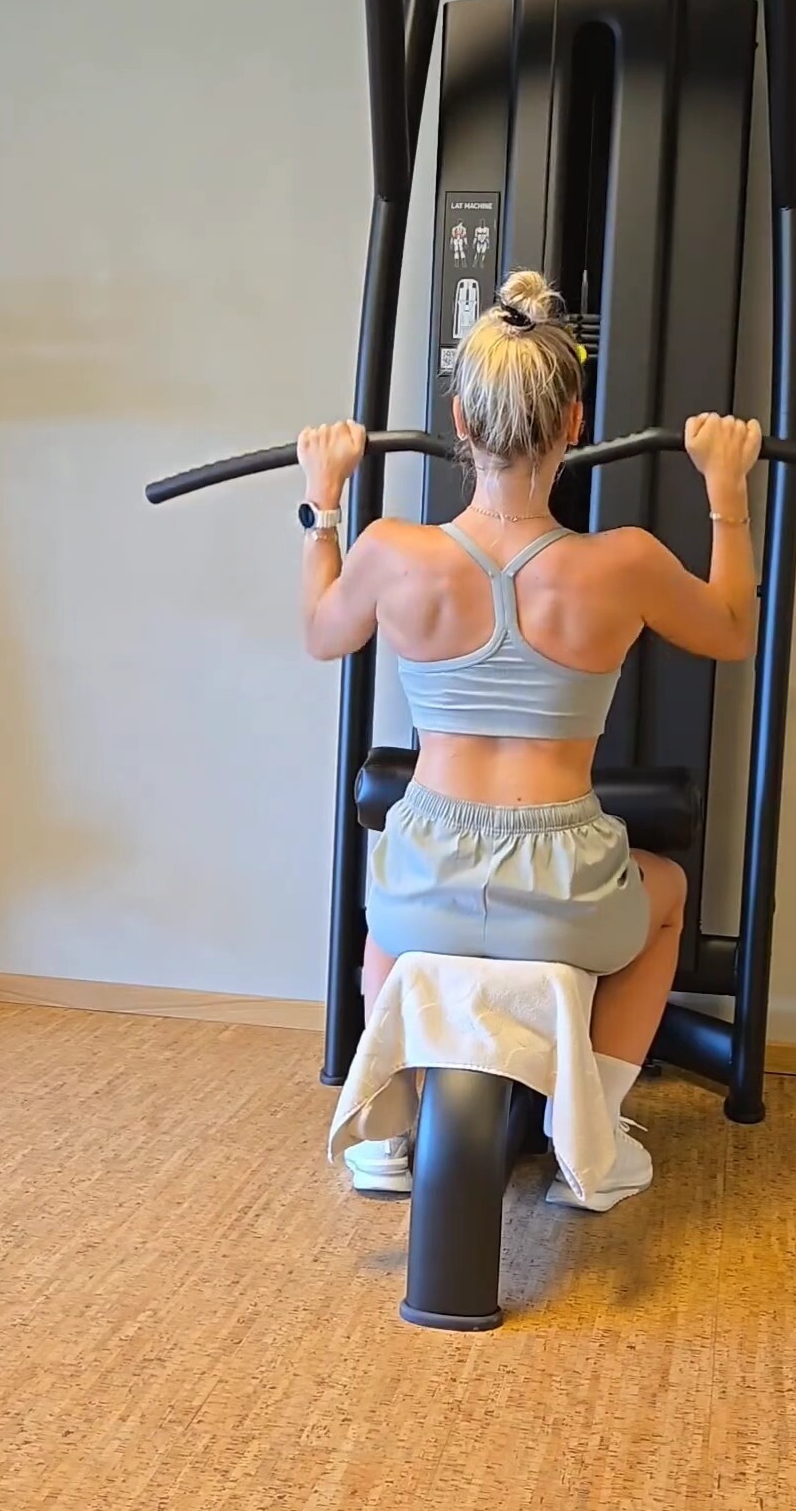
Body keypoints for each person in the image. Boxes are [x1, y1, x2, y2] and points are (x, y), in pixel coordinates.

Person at [299, 270, 761, 1210]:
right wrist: (726, 490)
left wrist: (326, 503)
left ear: (461, 423)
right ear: (574, 422)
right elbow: (732, 629)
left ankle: (385, 1136)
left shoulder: (390, 550)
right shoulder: (623, 562)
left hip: (427, 875)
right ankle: (595, 1135)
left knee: (391, 908)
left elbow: (320, 633)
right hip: (563, 892)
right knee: (666, 893)